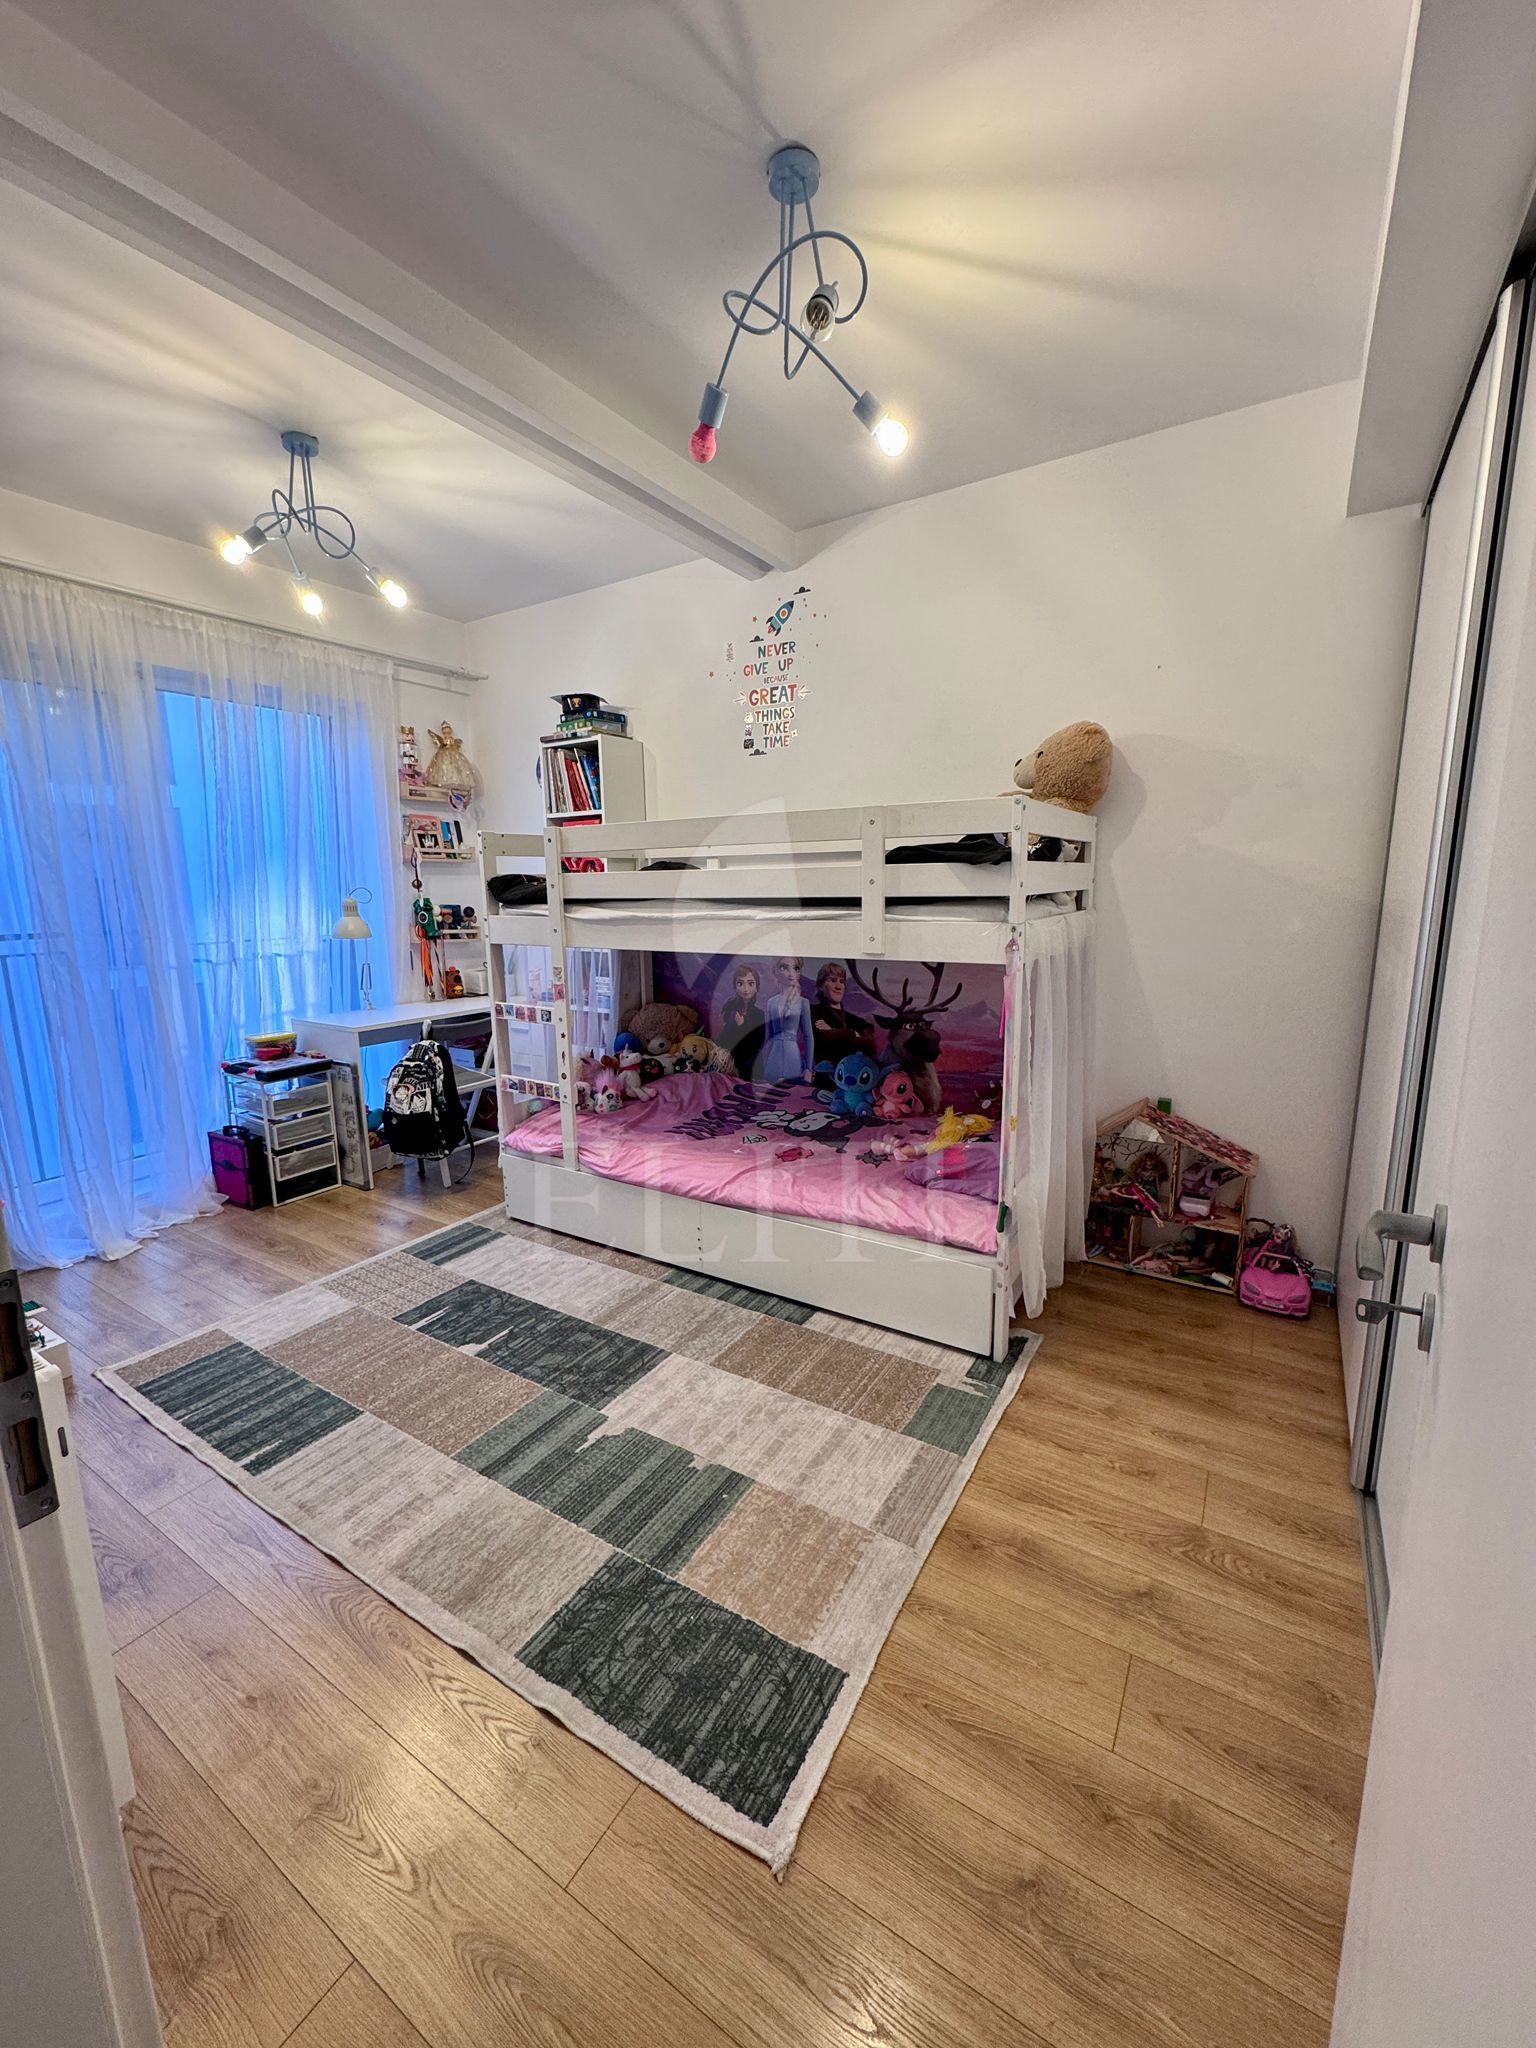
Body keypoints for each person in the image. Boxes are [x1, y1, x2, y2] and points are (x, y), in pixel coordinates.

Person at [810, 961, 877, 1066]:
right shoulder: (813, 1012)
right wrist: (855, 1034)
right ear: (820, 986)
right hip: (827, 1074)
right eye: (833, 980)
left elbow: (871, 1047)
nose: (838, 986)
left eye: (841, 982)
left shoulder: (858, 1021)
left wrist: (833, 1031)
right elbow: (824, 1038)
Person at [762, 955, 815, 1083]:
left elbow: (808, 1037)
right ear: (776, 972)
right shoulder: (771, 1002)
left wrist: (808, 1068)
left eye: (795, 968)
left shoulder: (803, 1003)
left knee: (792, 1090)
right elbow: (768, 1036)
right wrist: (764, 1062)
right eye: (784, 968)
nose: (791, 973)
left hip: (793, 1058)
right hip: (773, 1058)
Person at [718, 962, 766, 1078]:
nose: (745, 989)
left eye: (750, 984)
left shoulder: (759, 1014)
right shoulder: (732, 1010)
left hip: (751, 1064)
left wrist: (742, 1026)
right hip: (732, 1060)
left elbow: (757, 1042)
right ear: (735, 987)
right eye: (740, 983)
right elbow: (725, 1038)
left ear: (756, 988)